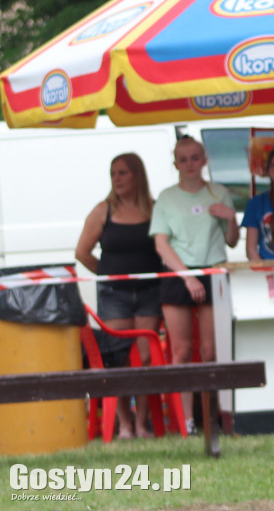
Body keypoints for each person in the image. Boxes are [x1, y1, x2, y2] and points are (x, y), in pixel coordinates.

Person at [150, 135, 239, 435]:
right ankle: (186, 422)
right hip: (178, 275)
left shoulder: (219, 192)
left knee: (212, 350)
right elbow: (161, 243)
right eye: (183, 159)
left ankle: (211, 417)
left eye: (194, 157)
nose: (189, 164)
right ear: (175, 163)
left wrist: (230, 218)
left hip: (213, 271)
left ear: (204, 160)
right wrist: (186, 276)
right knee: (183, 351)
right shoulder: (166, 197)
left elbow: (231, 240)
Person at [75, 152, 164, 439]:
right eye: (114, 173)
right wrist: (106, 273)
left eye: (123, 172)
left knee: (147, 357)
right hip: (114, 294)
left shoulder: (154, 208)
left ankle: (142, 422)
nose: (117, 179)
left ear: (138, 175)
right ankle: (125, 424)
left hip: (150, 291)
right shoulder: (103, 210)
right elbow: (82, 252)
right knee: (119, 357)